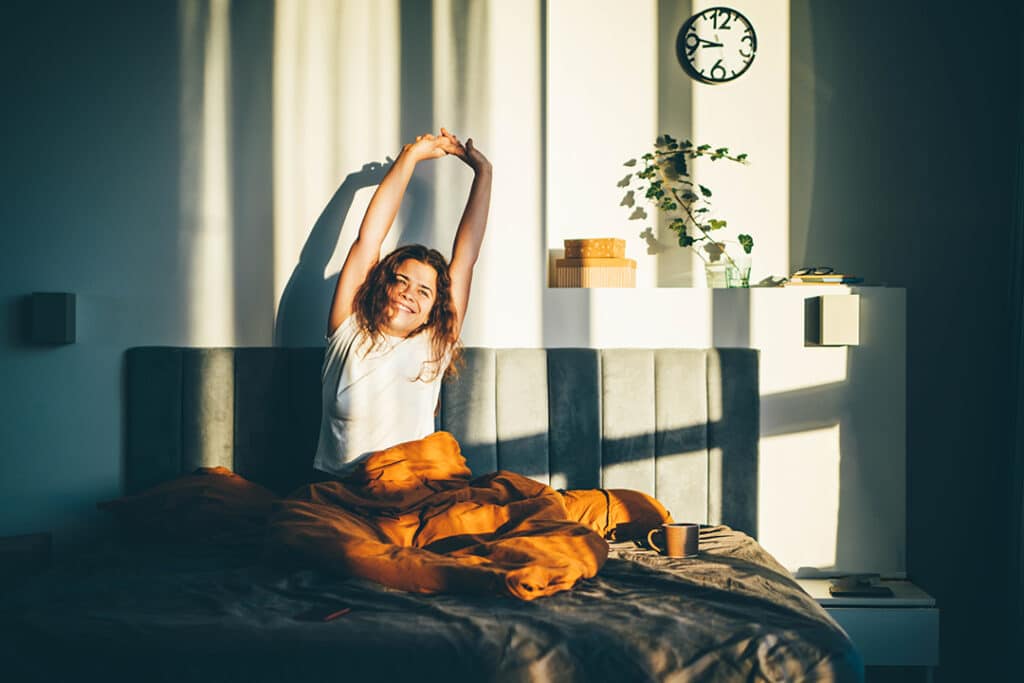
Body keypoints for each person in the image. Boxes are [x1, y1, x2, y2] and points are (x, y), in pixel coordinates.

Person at [311, 128, 492, 479]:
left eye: (424, 291)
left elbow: (466, 258)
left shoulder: (434, 344)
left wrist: (483, 173)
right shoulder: (348, 332)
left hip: (413, 492)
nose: (410, 292)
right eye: (401, 280)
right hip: (340, 494)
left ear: (433, 311)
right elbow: (368, 240)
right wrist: (411, 157)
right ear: (382, 285)